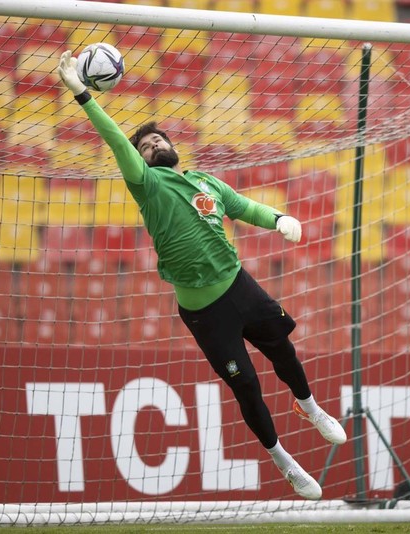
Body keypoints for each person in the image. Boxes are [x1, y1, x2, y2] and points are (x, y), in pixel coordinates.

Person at [57, 51, 346, 500]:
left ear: (172, 146)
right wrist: (82, 95)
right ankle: (284, 462)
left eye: (156, 141)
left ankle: (311, 408)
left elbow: (245, 207)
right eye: (144, 147)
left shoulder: (208, 182)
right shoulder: (148, 187)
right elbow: (116, 142)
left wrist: (278, 218)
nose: (151, 147)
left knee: (282, 349)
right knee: (246, 385)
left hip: (239, 285)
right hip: (203, 311)